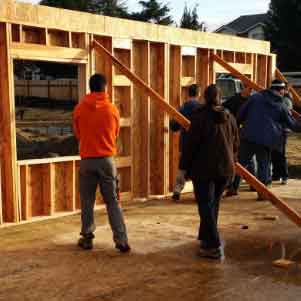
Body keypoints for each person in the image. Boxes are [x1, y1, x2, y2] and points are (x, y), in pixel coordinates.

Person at [180, 84, 239, 259]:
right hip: (226, 170)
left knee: (205, 205)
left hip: (204, 170)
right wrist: (233, 162)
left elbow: (190, 146)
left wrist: (183, 168)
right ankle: (206, 240)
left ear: (204, 98)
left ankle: (213, 244)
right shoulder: (229, 117)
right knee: (213, 205)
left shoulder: (199, 118)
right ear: (220, 98)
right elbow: (236, 143)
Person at [73, 73, 130, 252]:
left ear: (90, 87)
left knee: (87, 201)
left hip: (87, 160)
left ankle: (87, 238)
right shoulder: (112, 110)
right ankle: (121, 241)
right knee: (112, 201)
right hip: (106, 161)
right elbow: (115, 134)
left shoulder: (80, 109)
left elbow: (78, 134)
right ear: (105, 88)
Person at [232, 79, 301, 200]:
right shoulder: (281, 105)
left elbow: (241, 113)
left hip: (248, 136)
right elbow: (293, 125)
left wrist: (241, 126)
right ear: (281, 91)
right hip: (266, 141)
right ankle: (262, 193)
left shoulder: (255, 98)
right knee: (263, 165)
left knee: (241, 164)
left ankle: (233, 187)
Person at [170, 84, 201, 202]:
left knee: (182, 168)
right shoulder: (201, 108)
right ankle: (198, 193)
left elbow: (174, 126)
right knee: (198, 169)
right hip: (199, 145)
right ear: (198, 94)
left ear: (188, 94)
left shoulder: (183, 108)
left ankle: (177, 191)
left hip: (186, 143)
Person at [223, 87, 257, 196]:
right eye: (249, 88)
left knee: (247, 160)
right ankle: (249, 185)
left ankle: (250, 185)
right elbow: (224, 109)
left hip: (249, 133)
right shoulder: (234, 100)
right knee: (245, 160)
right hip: (238, 133)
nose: (251, 91)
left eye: (252, 89)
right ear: (244, 88)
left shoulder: (253, 100)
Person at [271, 89, 293, 185]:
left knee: (280, 155)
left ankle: (284, 175)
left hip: (281, 131)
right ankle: (276, 175)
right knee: (274, 154)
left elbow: (286, 116)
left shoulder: (285, 101)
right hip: (275, 131)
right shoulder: (278, 100)